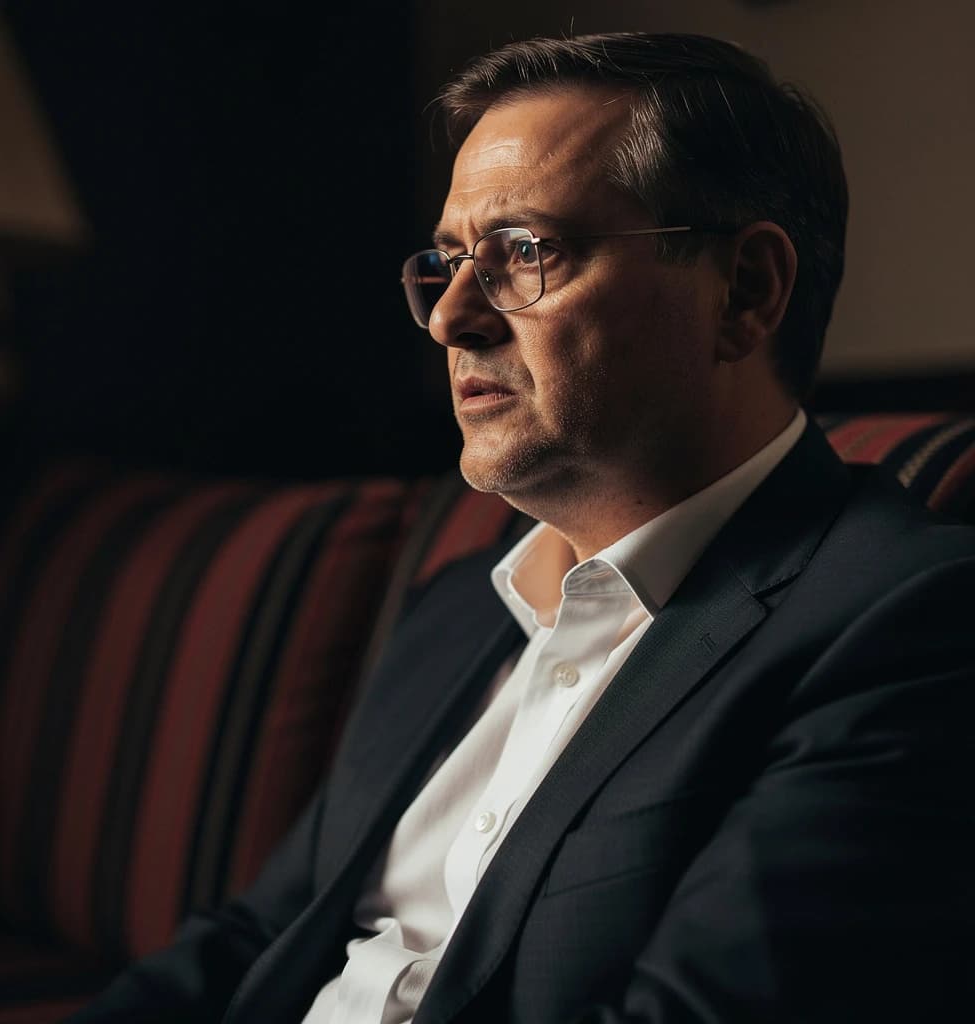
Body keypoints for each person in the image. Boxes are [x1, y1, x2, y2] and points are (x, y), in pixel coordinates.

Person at [69, 31, 975, 1023]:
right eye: (449, 261)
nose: (450, 317)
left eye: (524, 251)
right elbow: (257, 935)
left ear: (745, 292)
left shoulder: (905, 622)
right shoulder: (456, 608)